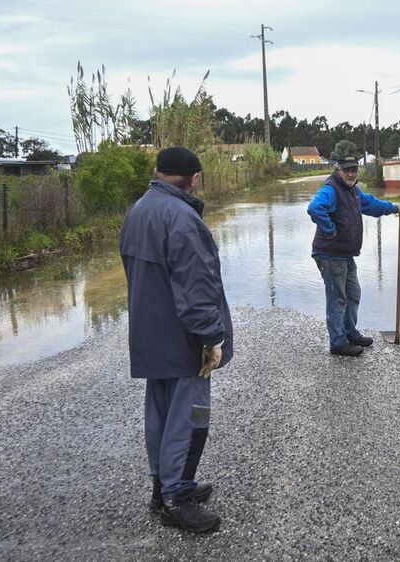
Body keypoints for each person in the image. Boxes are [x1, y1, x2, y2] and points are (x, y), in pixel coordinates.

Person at [119, 146, 234, 534]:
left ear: (158, 171)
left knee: (161, 417)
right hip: (184, 340)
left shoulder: (138, 210)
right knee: (190, 419)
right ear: (193, 178)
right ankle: (176, 498)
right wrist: (212, 337)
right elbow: (197, 286)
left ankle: (161, 487)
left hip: (152, 336)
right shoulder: (182, 218)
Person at [307, 151, 400, 356]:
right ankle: (338, 343)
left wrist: (395, 207)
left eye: (354, 170)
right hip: (330, 254)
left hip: (345, 254)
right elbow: (315, 208)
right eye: (347, 170)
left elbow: (371, 204)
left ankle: (350, 333)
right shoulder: (332, 189)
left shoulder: (352, 190)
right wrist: (330, 230)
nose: (351, 174)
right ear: (338, 170)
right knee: (338, 299)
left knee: (353, 294)